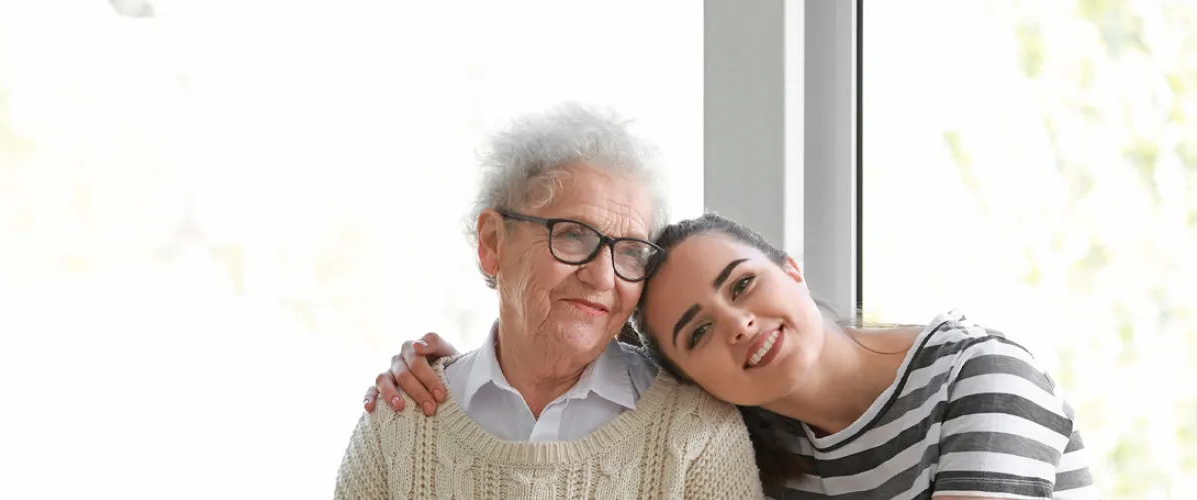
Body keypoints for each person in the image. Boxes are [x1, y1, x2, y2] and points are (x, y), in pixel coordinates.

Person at [365, 213, 1098, 500]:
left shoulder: (982, 379)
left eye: (742, 284)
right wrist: (468, 381)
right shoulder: (748, 448)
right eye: (697, 334)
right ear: (693, 381)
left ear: (792, 270)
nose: (739, 325)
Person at [333, 104, 763, 499]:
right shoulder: (398, 425)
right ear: (492, 243)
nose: (603, 277)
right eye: (574, 235)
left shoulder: (698, 432)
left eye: (631, 250)